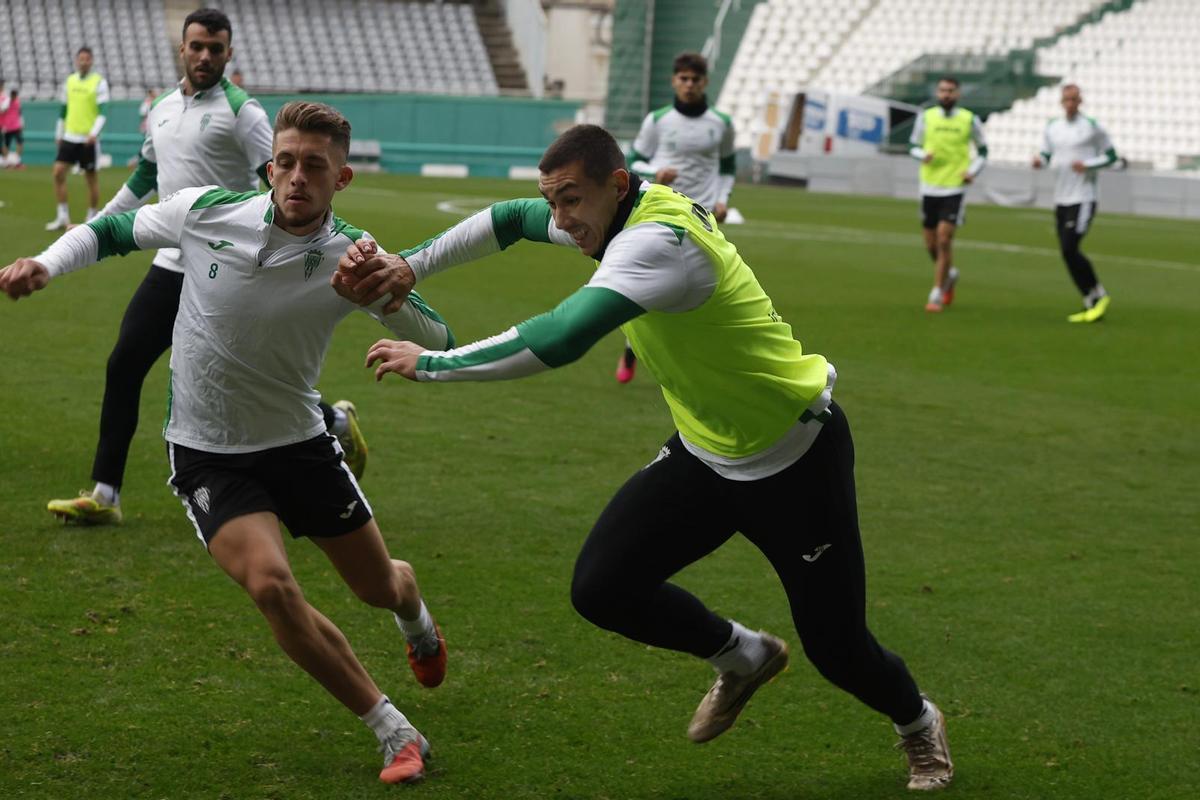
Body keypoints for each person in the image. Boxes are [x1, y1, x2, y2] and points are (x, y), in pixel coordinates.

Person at [335, 124, 954, 791]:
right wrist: (411, 265)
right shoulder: (610, 213)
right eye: (554, 200)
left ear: (617, 184)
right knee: (602, 587)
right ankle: (743, 656)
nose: (561, 219)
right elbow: (512, 218)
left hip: (795, 460)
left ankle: (918, 723)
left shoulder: (657, 242)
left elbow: (562, 336)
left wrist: (432, 363)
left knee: (838, 649)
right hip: (706, 455)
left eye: (571, 200)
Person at [1, 100, 451, 786]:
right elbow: (113, 231)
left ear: (342, 179)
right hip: (207, 452)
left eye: (315, 166)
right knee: (272, 587)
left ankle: (412, 611)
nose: (297, 177)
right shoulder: (208, 212)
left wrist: (387, 292)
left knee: (377, 586)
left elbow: (439, 336)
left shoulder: (354, 254)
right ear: (269, 167)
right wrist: (46, 263)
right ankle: (394, 730)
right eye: (286, 162)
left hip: (300, 446)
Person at [43, 8, 368, 528]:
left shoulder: (243, 112)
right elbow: (145, 176)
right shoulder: (162, 108)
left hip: (227, 266)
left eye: (215, 49)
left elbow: (283, 181)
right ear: (183, 49)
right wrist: (98, 224)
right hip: (171, 263)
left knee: (248, 372)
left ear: (228, 54)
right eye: (196, 46)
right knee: (124, 363)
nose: (204, 56)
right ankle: (105, 493)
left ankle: (331, 421)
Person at [618, 51, 736, 383]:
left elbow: (727, 168)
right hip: (663, 210)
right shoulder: (657, 120)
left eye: (695, 79)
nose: (689, 85)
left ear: (705, 82)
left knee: (707, 286)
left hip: (703, 214)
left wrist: (723, 199)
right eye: (683, 79)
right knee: (651, 282)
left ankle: (698, 357)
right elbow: (633, 162)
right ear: (674, 81)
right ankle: (631, 348)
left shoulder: (721, 124)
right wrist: (656, 172)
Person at [1032, 84, 1118, 323]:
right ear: (1061, 102)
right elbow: (1046, 154)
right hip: (1061, 198)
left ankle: (1098, 293)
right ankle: (1090, 299)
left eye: (1074, 99)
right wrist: (1039, 161)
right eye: (1066, 99)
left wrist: (1088, 165)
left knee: (1070, 247)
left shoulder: (1092, 127)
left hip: (1083, 197)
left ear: (1080, 101)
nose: (1070, 104)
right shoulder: (1053, 127)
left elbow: (1112, 156)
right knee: (1066, 252)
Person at [908, 76, 987, 313]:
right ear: (937, 93)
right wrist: (922, 155)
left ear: (958, 94)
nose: (946, 94)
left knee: (944, 239)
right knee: (930, 244)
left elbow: (983, 150)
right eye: (943, 90)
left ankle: (936, 293)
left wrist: (972, 171)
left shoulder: (969, 119)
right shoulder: (926, 117)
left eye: (951, 91)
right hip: (929, 186)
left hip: (954, 187)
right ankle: (949, 275)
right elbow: (913, 146)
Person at [45, 47, 110, 230]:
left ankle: (91, 218)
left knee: (91, 179)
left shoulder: (99, 82)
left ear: (91, 61)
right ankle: (62, 216)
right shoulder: (69, 81)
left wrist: (94, 133)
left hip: (87, 140)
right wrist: (59, 133)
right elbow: (63, 110)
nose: (83, 62)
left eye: (87, 59)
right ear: (76, 60)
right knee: (58, 173)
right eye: (81, 59)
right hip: (69, 137)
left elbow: (103, 111)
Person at [2, 86, 26, 169]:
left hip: (16, 126)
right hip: (8, 127)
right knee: (6, 144)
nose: (14, 96)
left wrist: (22, 123)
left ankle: (16, 160)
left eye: (15, 94)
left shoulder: (18, 102)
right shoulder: (7, 101)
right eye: (13, 94)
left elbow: (19, 113)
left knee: (20, 142)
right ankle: (7, 162)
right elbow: (2, 111)